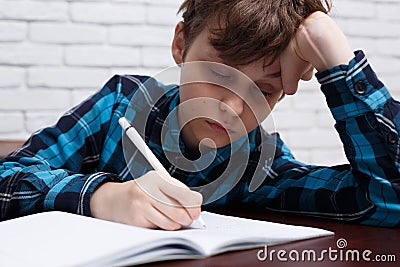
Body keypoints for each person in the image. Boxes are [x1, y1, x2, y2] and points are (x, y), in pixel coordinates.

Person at [0, 0, 399, 230]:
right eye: (219, 76)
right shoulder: (120, 104)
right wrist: (103, 197)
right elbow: (6, 179)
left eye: (263, 91)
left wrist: (337, 61)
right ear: (180, 45)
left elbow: (388, 200)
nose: (233, 108)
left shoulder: (257, 161)